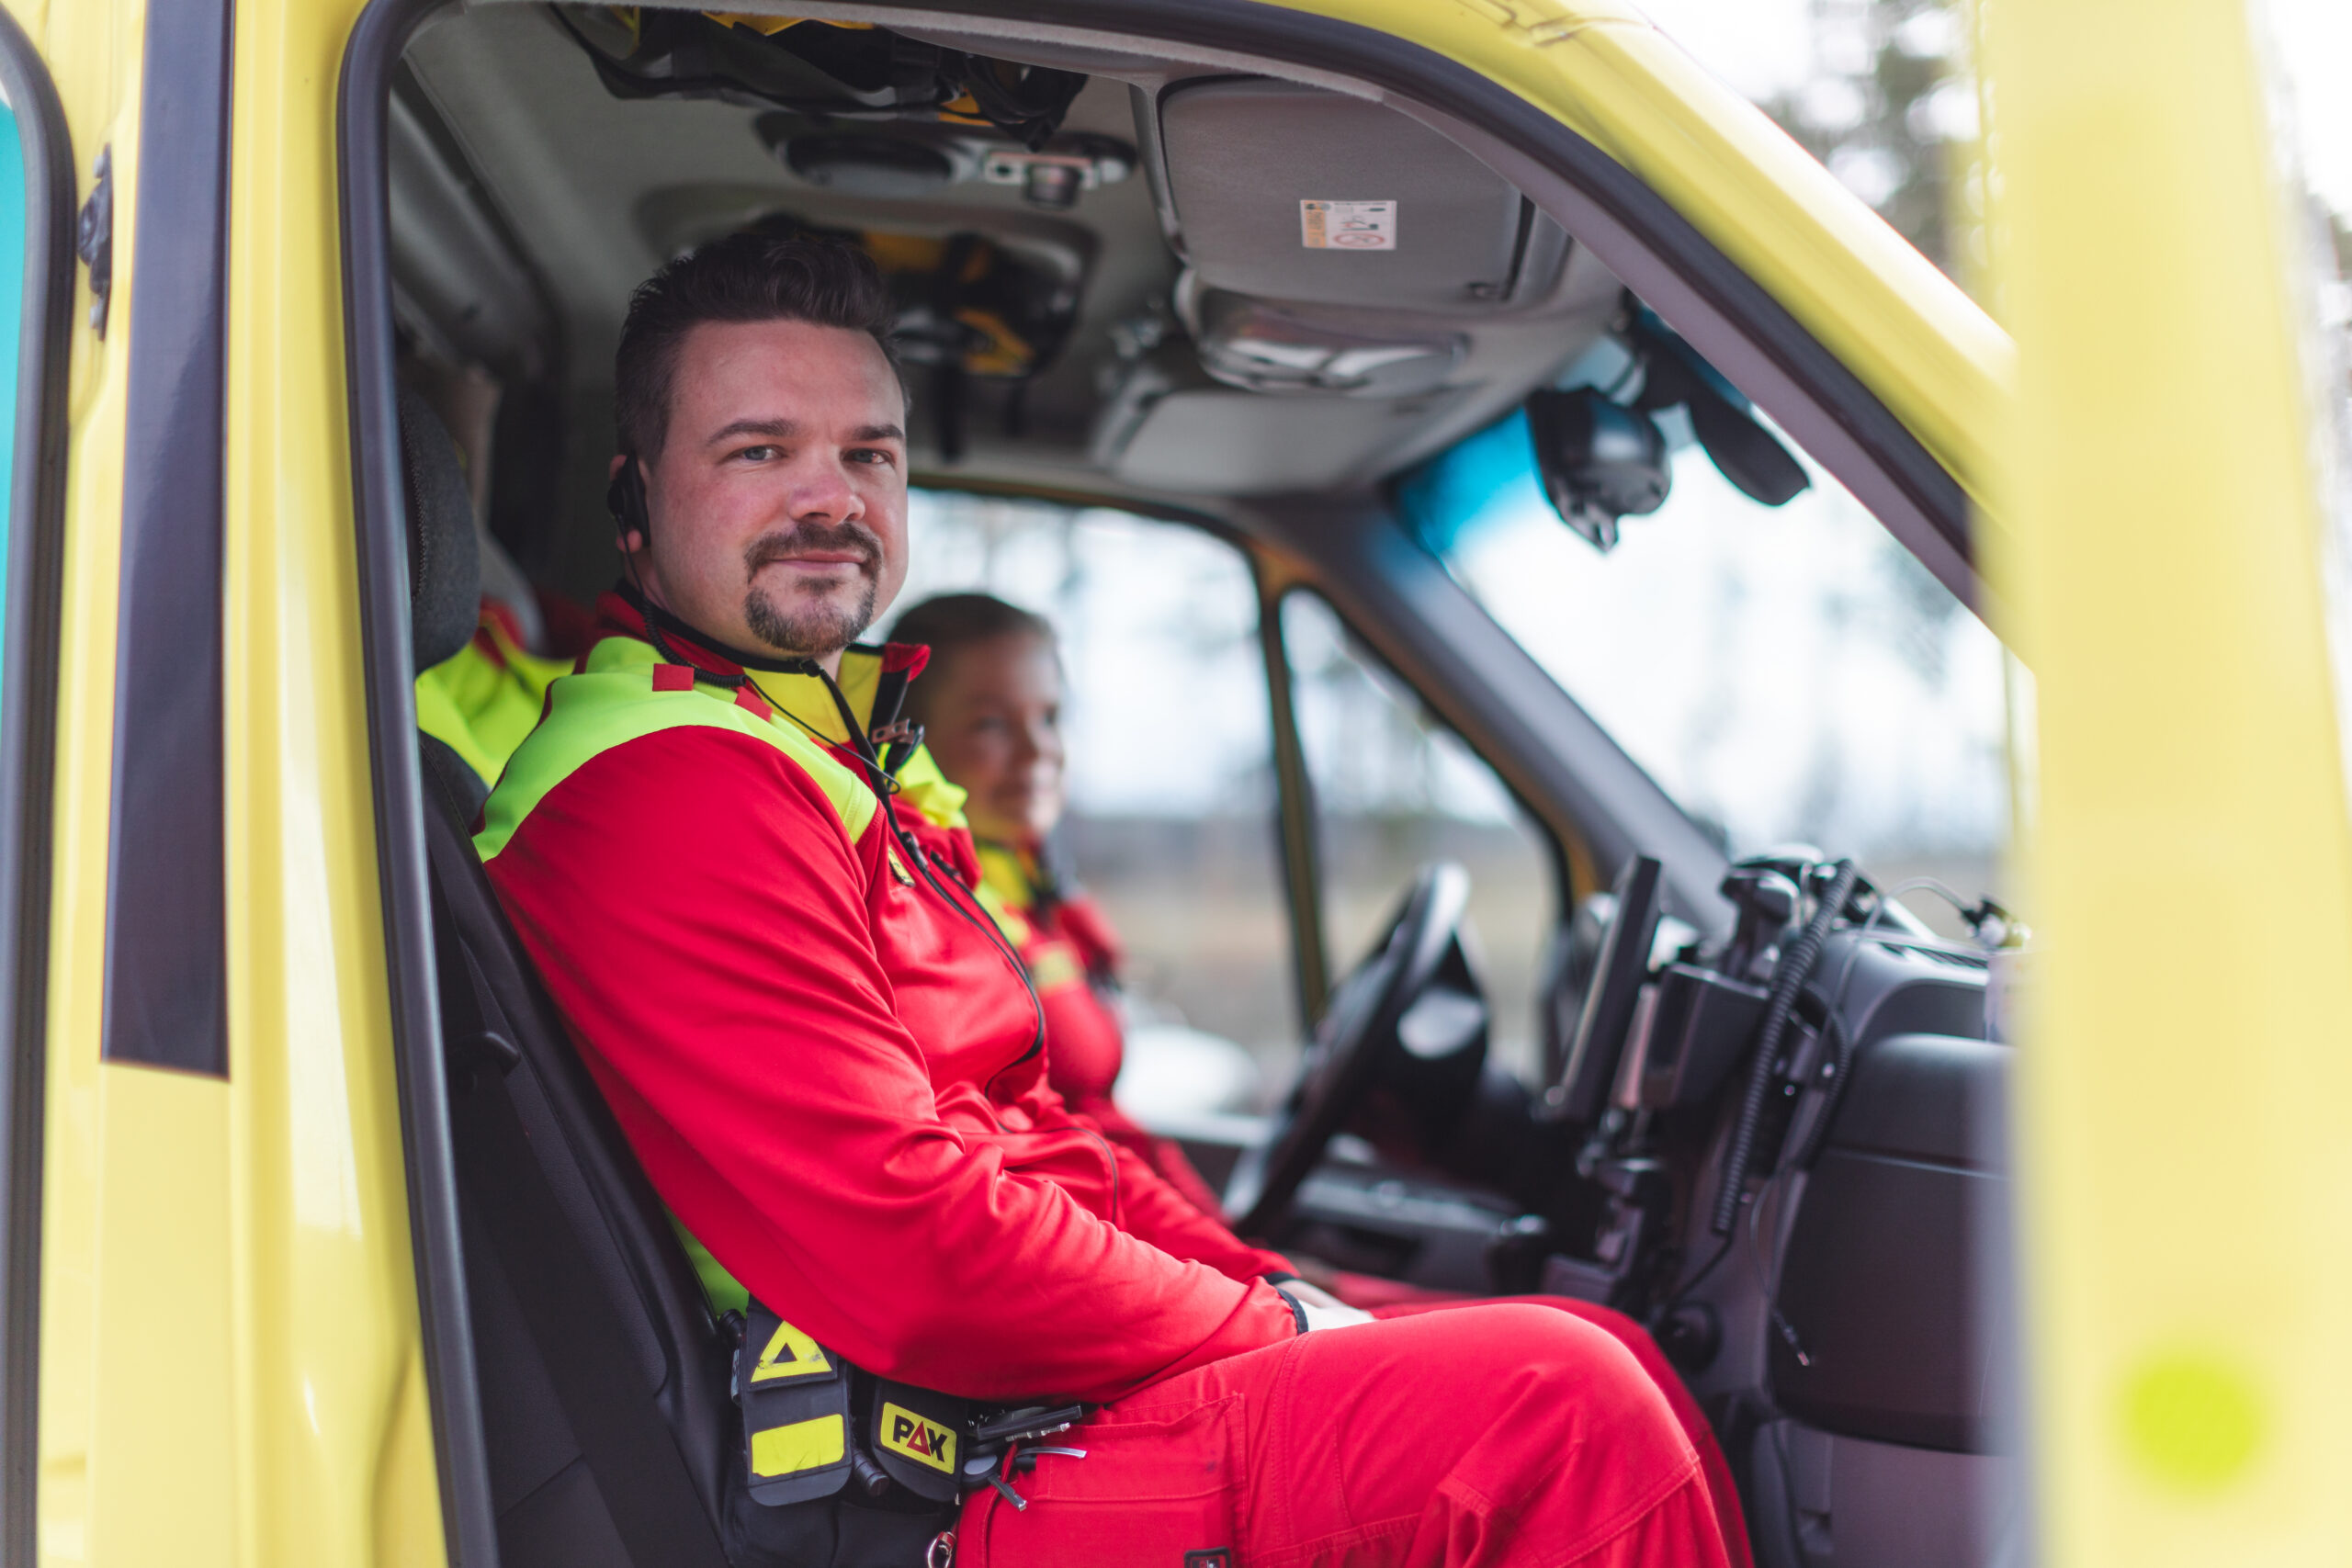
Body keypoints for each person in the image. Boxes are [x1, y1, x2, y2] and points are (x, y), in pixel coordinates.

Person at [474, 231, 1735, 1567]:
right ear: (634, 499)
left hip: (983, 1400)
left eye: (869, 453)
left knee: (1607, 1346)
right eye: (758, 450)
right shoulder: (674, 784)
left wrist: (1259, 1285)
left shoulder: (809, 748)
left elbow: (1046, 1133)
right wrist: (1270, 1328)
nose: (829, 496)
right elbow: (916, 1237)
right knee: (1563, 1410)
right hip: (905, 1474)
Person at [886, 592, 1230, 1218]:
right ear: (912, 737)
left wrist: (1241, 1246)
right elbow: (1029, 1160)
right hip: (1104, 1245)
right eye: (991, 723)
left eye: (1049, 717)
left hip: (1160, 1224)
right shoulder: (926, 903)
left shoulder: (1034, 878)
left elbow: (1103, 1125)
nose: (1038, 749)